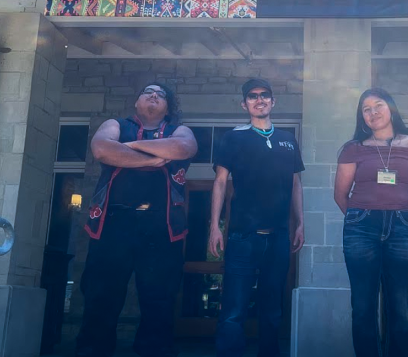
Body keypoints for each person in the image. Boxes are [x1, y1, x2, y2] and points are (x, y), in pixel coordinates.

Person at [76, 83, 198, 357]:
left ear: (168, 106)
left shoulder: (179, 130)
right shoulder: (114, 123)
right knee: (100, 298)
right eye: (147, 92)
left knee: (159, 301)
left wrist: (128, 148)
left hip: (162, 227)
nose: (154, 96)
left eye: (161, 94)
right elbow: (102, 149)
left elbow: (184, 147)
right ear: (136, 101)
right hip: (112, 224)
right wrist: (153, 157)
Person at [208, 78, 304, 357]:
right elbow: (220, 182)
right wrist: (215, 226)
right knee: (233, 311)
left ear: (273, 102)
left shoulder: (288, 139)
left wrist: (300, 223)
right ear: (244, 103)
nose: (259, 99)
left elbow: (296, 184)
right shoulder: (233, 138)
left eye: (265, 95)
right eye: (252, 96)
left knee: (272, 310)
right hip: (242, 236)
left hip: (278, 238)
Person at [334, 88, 408, 357]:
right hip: (361, 226)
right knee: (363, 306)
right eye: (366, 109)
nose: (373, 112)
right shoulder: (353, 149)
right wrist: (361, 218)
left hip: (402, 224)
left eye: (378, 106)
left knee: (399, 306)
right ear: (361, 116)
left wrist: (399, 212)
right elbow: (340, 195)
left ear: (391, 109)